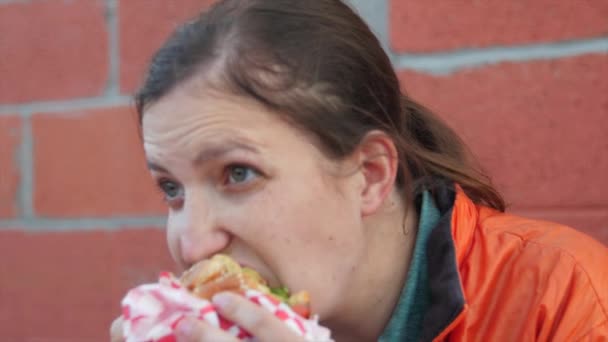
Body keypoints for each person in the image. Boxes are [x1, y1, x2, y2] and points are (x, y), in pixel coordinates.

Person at [111, 0, 608, 341]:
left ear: (369, 175)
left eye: (238, 173)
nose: (193, 246)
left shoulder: (566, 302)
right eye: (171, 188)